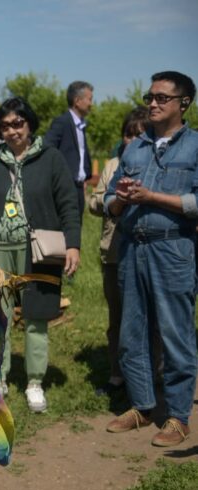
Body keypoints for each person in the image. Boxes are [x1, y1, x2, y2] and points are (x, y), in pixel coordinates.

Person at [0, 97, 81, 413]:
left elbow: (69, 203)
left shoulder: (51, 158)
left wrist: (73, 244)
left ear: (29, 123)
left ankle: (34, 383)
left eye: (18, 123)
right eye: (5, 126)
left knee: (37, 317)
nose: (12, 130)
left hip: (38, 252)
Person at [104, 71, 198, 448]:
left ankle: (177, 417)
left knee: (176, 333)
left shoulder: (194, 147)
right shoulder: (134, 148)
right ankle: (142, 405)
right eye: (150, 96)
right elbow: (110, 203)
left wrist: (153, 199)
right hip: (131, 247)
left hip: (173, 249)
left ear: (183, 104)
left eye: (162, 98)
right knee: (132, 332)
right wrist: (124, 198)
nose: (153, 103)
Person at [87, 107, 150, 397]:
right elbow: (94, 203)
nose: (133, 140)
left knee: (152, 317)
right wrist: (112, 201)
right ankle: (117, 374)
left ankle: (154, 374)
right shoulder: (112, 165)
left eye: (139, 134)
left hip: (149, 252)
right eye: (128, 134)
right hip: (113, 254)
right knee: (118, 318)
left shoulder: (156, 164)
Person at [45, 81, 94, 215]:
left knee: (76, 229)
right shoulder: (62, 122)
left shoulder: (81, 125)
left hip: (78, 188)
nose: (91, 104)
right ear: (77, 101)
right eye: (90, 99)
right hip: (65, 187)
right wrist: (59, 179)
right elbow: (47, 148)